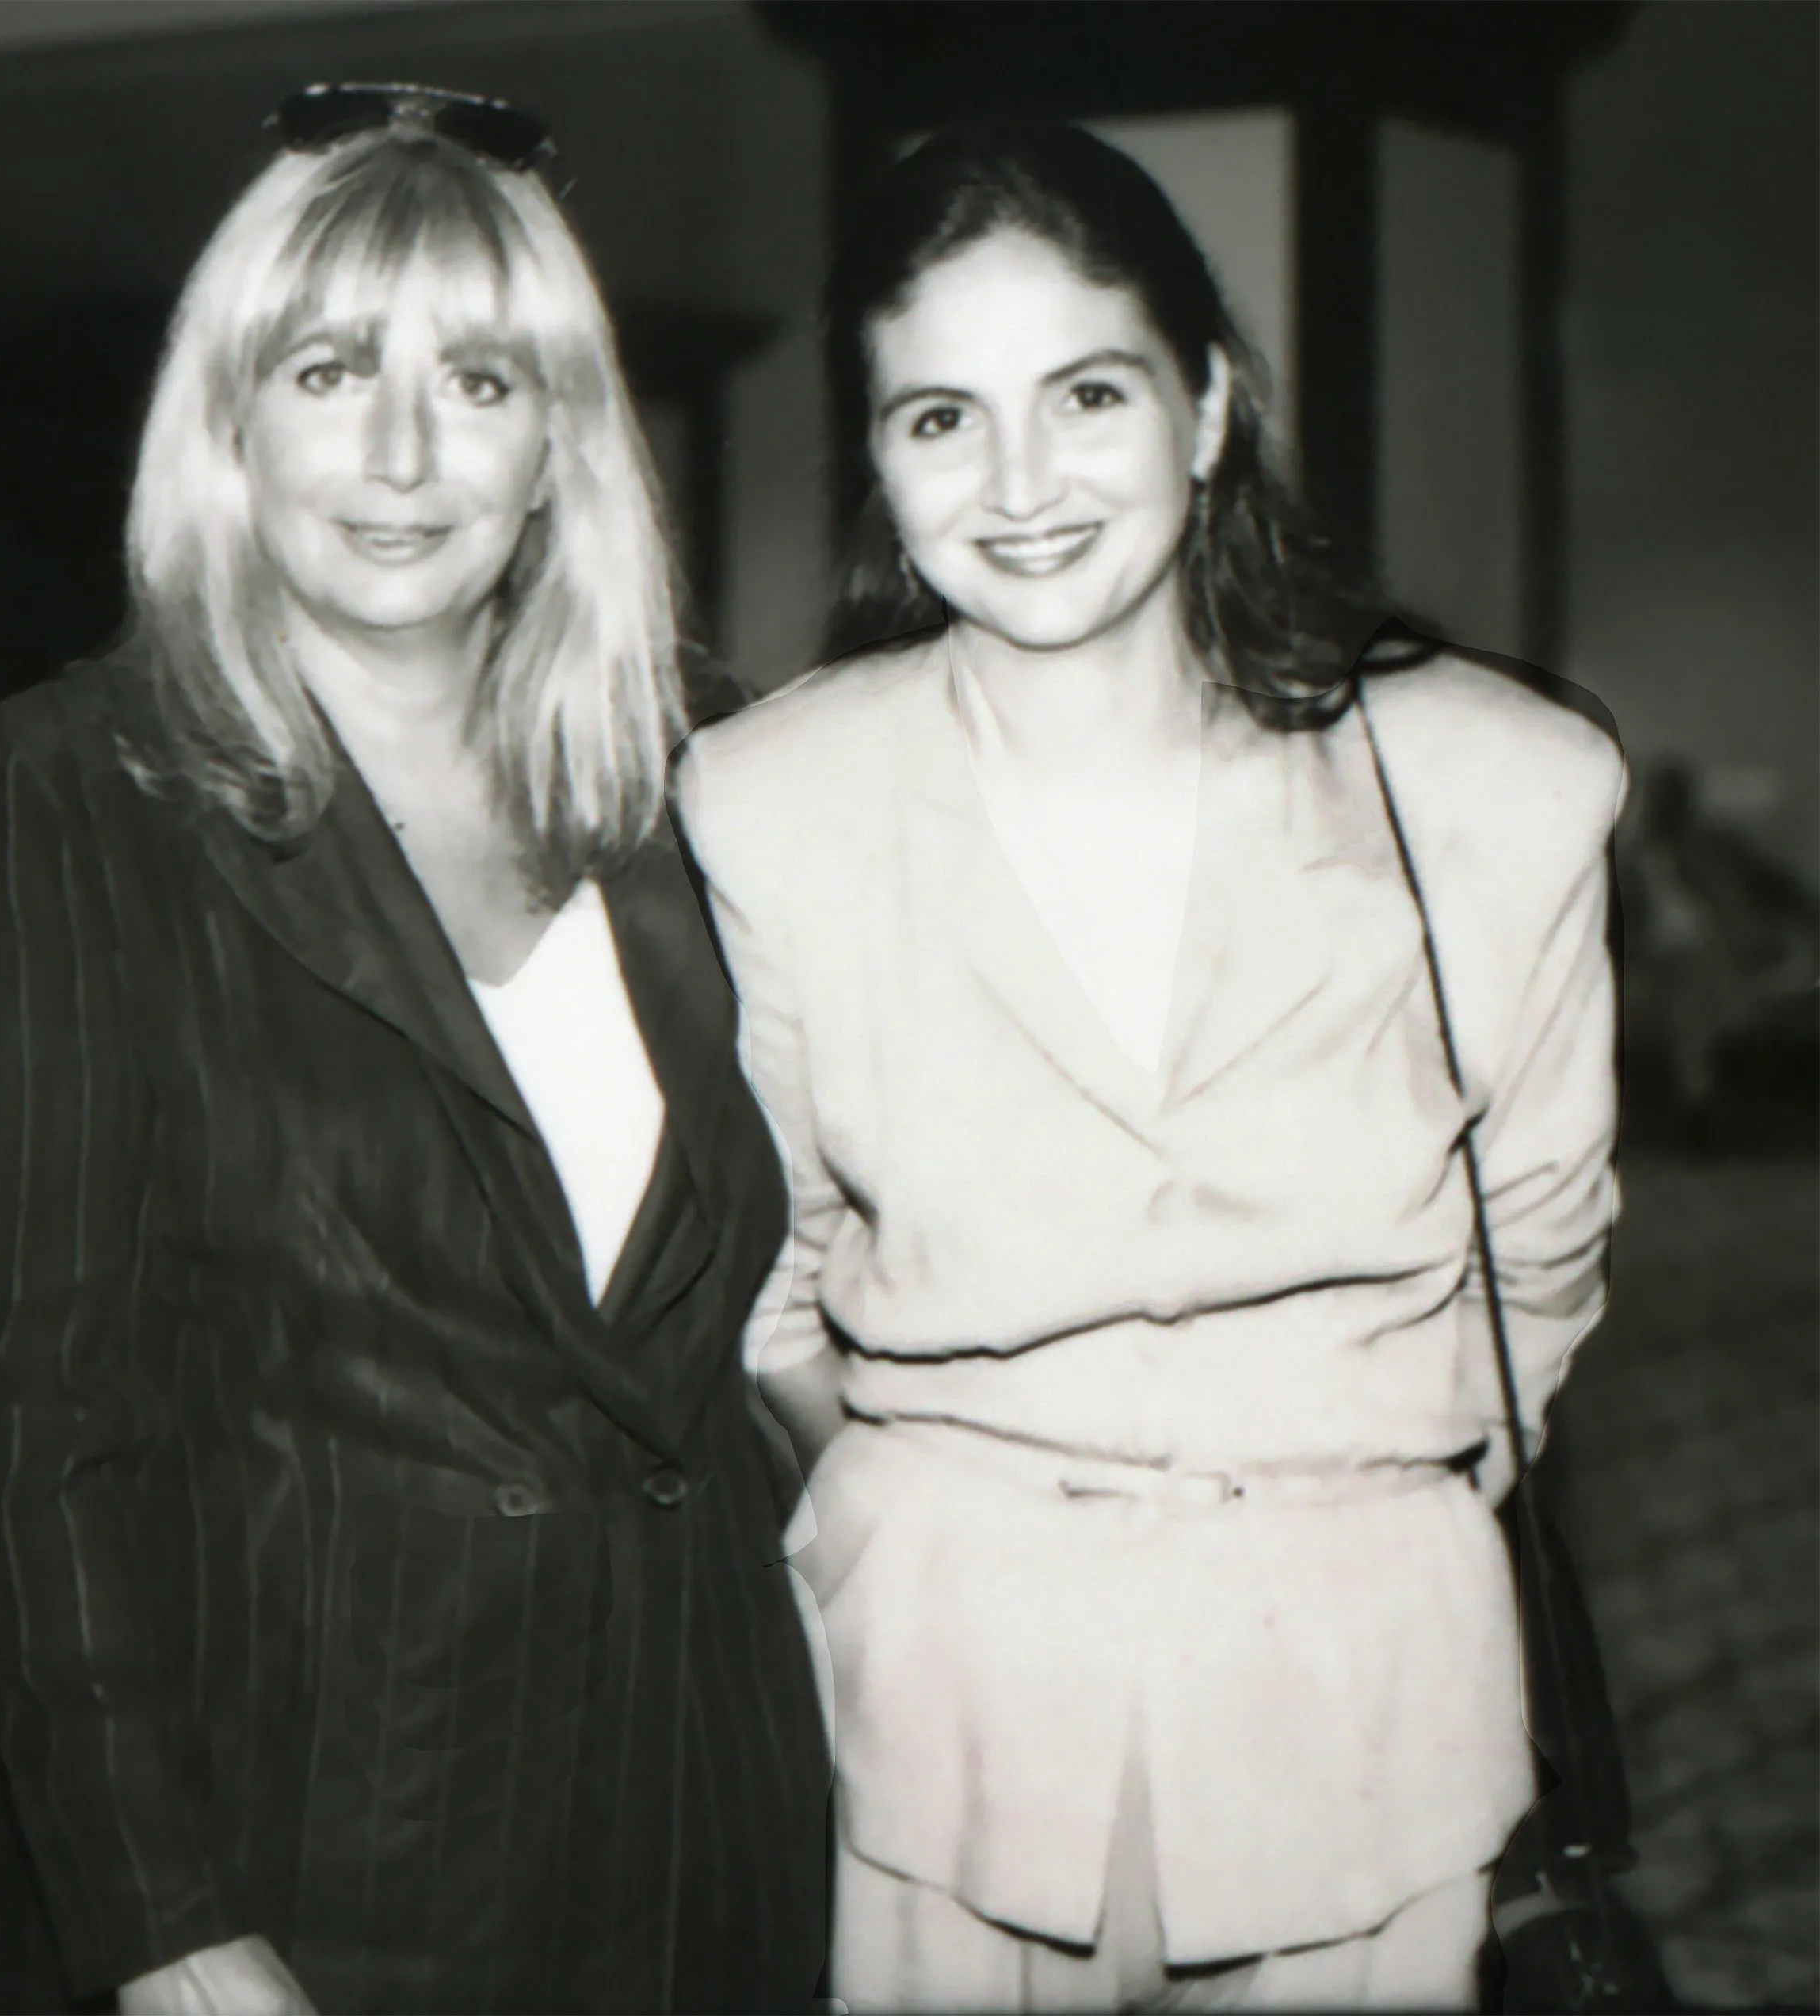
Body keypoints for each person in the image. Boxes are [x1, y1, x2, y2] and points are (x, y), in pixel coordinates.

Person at [676, 121, 1624, 2012]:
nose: (1020, 483)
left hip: (1359, 1694)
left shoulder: (1494, 784)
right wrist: (949, 1514)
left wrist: (1337, 1488)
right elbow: (773, 1269)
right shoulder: (773, 800)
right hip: (943, 1702)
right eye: (940, 418)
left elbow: (1539, 1249)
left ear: (1207, 411)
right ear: (880, 462)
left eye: (1088, 395)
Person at [0, 85, 829, 2016]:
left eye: (479, 383)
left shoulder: (708, 768)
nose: (403, 454)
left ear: (559, 442)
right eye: (331, 371)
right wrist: (161, 1920)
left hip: (723, 1815)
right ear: (229, 422)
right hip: (326, 1843)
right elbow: (36, 1429)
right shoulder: (62, 795)